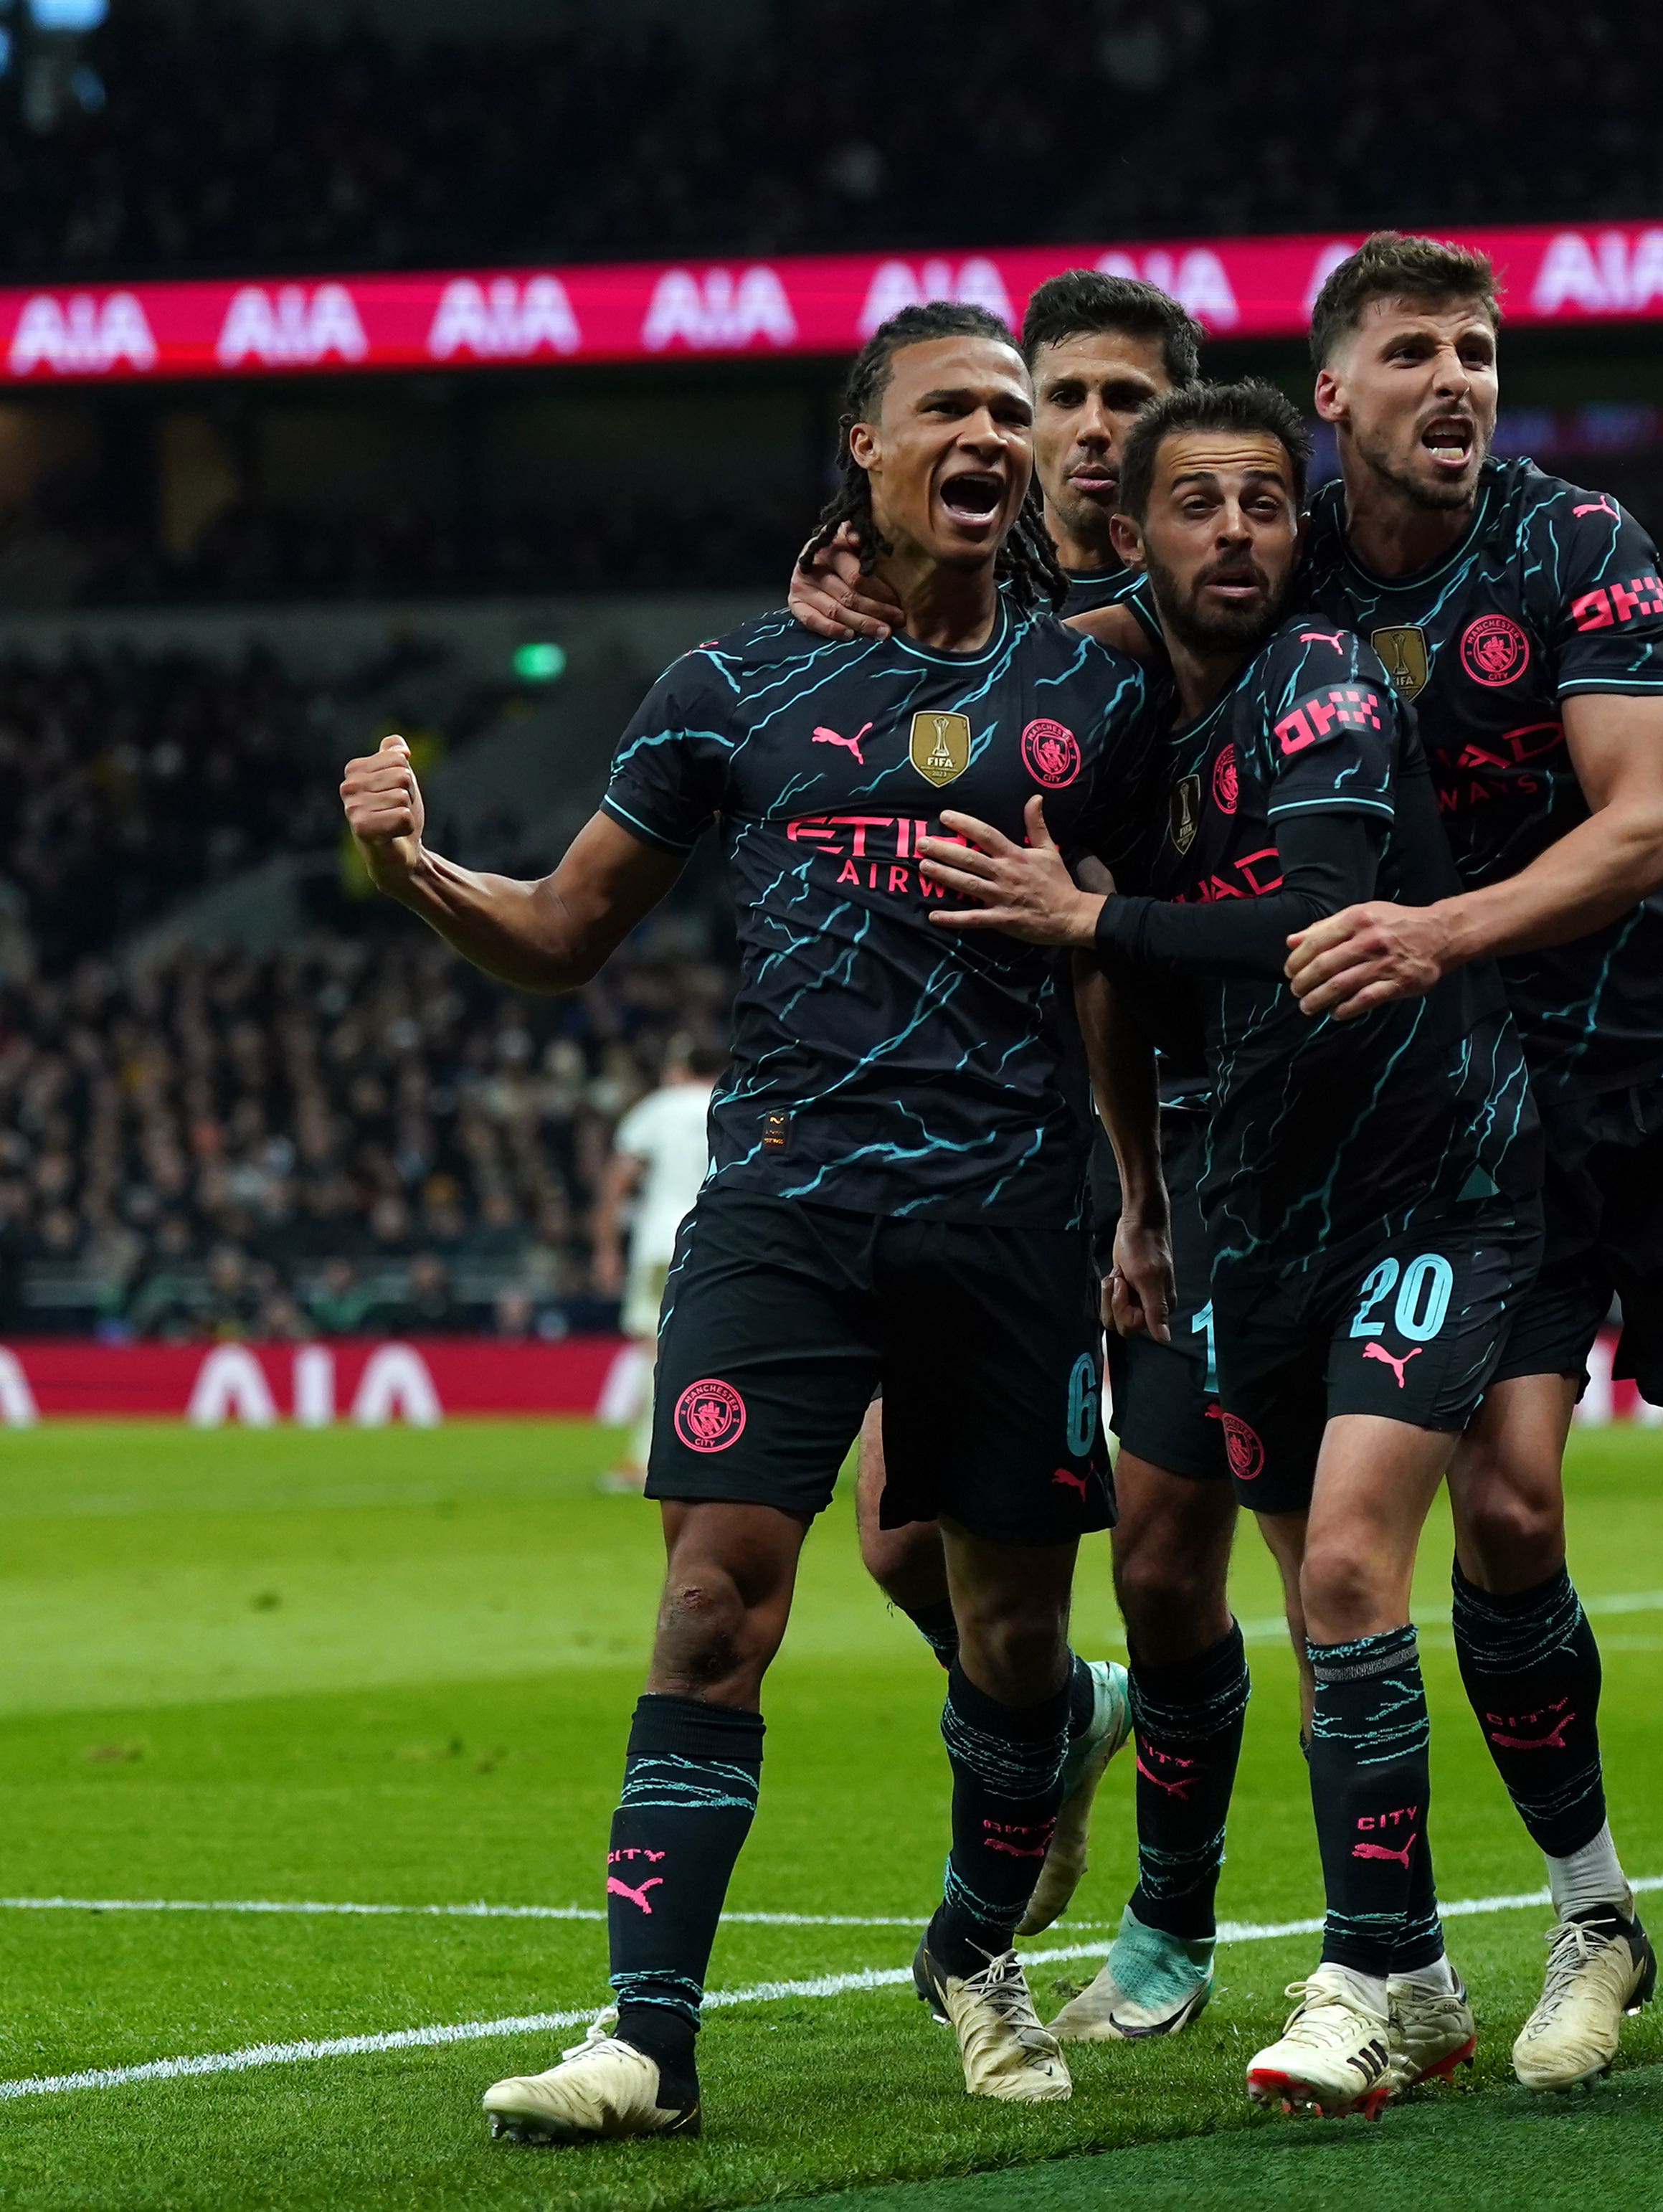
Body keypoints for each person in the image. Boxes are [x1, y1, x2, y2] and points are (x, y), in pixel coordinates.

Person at [355, 301, 1167, 2142]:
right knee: (714, 1600)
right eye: (951, 407)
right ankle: (646, 2034)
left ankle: (972, 1945)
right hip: (785, 1205)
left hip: (1011, 1216)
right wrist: (411, 871)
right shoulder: (730, 687)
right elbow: (562, 932)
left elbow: (1134, 965)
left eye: (1013, 413)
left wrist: (1143, 1197)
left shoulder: (1098, 698)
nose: (992, 434)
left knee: (1016, 1648)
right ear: (864, 449)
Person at [1271, 235, 1663, 2107]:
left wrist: (1436, 931)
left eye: (1480, 348)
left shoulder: (1574, 542)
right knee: (1507, 1510)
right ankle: (1593, 1912)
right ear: (1333, 394)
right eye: (1414, 350)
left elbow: (1644, 824)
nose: (1458, 379)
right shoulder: (1274, 561)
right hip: (1469, 1116)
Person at [916, 378, 1541, 2120]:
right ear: (1134, 535)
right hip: (1245, 1216)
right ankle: (1414, 1973)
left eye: (1267, 502)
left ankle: (1352, 1967)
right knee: (1297, 1586)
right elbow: (1115, 985)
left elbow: (1325, 918)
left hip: (1428, 1183)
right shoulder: (1127, 734)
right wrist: (1140, 1194)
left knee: (1346, 1566)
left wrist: (1091, 912)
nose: (1238, 534)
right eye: (1198, 504)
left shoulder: (1327, 678)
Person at [795, 275, 1246, 2034]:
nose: (1080, 428)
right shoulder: (960, 611)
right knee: (900, 1540)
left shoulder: (1206, 609)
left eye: (1125, 398)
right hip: (996, 1144)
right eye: (1057, 394)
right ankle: (1059, 1712)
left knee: (1164, 1554)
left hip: (1199, 1132)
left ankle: (1176, 1916)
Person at [592, 1035, 718, 1493]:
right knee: (715, 1348)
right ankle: (714, 1450)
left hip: (660, 1243)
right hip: (717, 1241)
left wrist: (604, 1245)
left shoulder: (659, 1107)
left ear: (680, 1066)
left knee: (655, 1348)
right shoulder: (737, 1103)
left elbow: (619, 1177)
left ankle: (648, 1456)